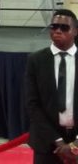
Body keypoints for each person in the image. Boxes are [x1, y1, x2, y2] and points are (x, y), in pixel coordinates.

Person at [26, 9, 78, 164]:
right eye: (54, 27)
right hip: (46, 143)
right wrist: (58, 141)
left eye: (64, 27)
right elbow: (32, 105)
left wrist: (75, 144)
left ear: (75, 31)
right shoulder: (35, 60)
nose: (57, 31)